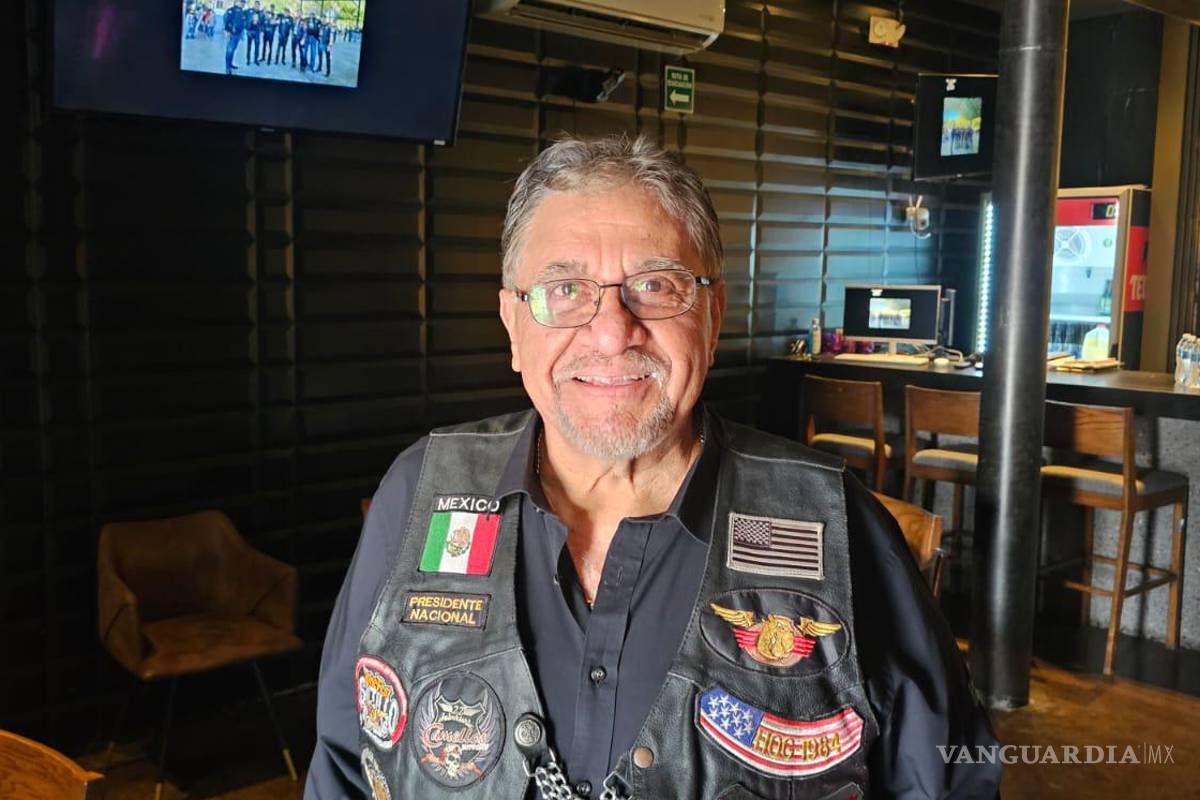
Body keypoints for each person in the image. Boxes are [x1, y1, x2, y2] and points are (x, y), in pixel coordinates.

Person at [304, 135, 1002, 800]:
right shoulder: (419, 491)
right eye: (565, 290)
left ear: (713, 313)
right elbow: (343, 762)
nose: (611, 331)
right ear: (513, 326)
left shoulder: (837, 520)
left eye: (657, 284)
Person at [223, 1, 244, 76]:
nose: (243, 4)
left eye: (243, 3)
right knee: (229, 50)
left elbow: (242, 22)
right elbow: (226, 20)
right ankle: (227, 68)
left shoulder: (241, 11)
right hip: (232, 34)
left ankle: (231, 64)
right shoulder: (231, 10)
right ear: (237, 2)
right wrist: (227, 30)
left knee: (233, 50)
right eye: (241, 2)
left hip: (238, 34)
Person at [244, 0, 261, 65]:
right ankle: (248, 60)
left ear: (259, 6)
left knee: (257, 46)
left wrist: (261, 28)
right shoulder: (249, 11)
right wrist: (246, 27)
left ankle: (255, 60)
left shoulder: (260, 13)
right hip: (250, 31)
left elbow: (262, 21)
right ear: (254, 5)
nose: (257, 6)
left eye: (258, 5)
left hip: (257, 32)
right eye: (256, 5)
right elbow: (243, 17)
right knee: (249, 46)